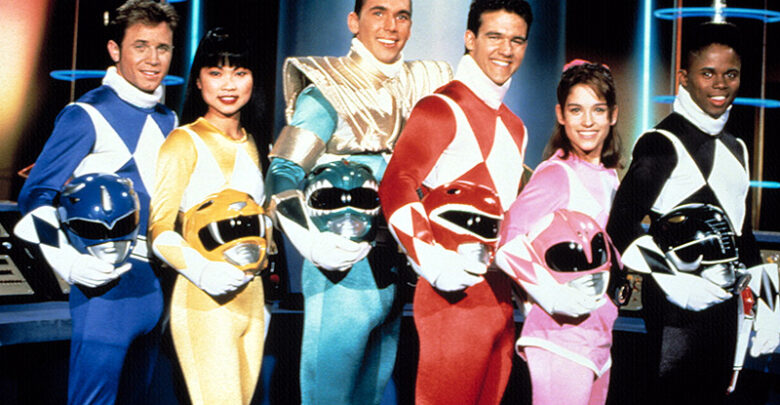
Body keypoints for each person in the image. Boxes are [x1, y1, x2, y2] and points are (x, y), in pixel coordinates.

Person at [264, 0, 452, 403]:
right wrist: (310, 242)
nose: (391, 25)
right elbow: (282, 172)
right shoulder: (326, 90)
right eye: (378, 12)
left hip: (395, 270)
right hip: (341, 270)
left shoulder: (425, 87)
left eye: (402, 15)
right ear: (354, 21)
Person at [13, 1, 178, 403]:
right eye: (140, 46)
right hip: (104, 288)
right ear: (114, 49)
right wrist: (69, 262)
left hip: (155, 286)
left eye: (162, 47)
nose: (153, 59)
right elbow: (35, 195)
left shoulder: (169, 120)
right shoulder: (86, 113)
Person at [607, 22, 780, 404]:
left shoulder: (737, 148)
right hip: (674, 316)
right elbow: (619, 225)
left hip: (725, 312)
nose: (720, 84)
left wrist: (771, 302)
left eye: (730, 74)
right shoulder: (660, 143)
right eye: (708, 73)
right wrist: (672, 280)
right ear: (684, 78)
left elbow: (742, 236)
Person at [378, 0, 533, 403]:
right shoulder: (440, 108)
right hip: (450, 298)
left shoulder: (516, 127)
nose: (506, 49)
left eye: (517, 40)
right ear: (470, 39)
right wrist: (431, 261)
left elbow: (509, 219)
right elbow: (396, 184)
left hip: (500, 300)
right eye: (494, 36)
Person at [148, 27, 268, 405]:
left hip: (254, 299)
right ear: (198, 81)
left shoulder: (256, 142)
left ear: (253, 79)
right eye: (216, 72)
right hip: (203, 298)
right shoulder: (183, 141)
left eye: (240, 72)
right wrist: (203, 271)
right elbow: (159, 229)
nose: (228, 84)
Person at [494, 61, 622, 405]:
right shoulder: (556, 174)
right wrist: (552, 297)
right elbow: (507, 245)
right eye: (576, 110)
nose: (587, 121)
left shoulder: (611, 177)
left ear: (612, 115)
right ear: (561, 115)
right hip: (558, 336)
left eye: (598, 110)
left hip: (599, 335)